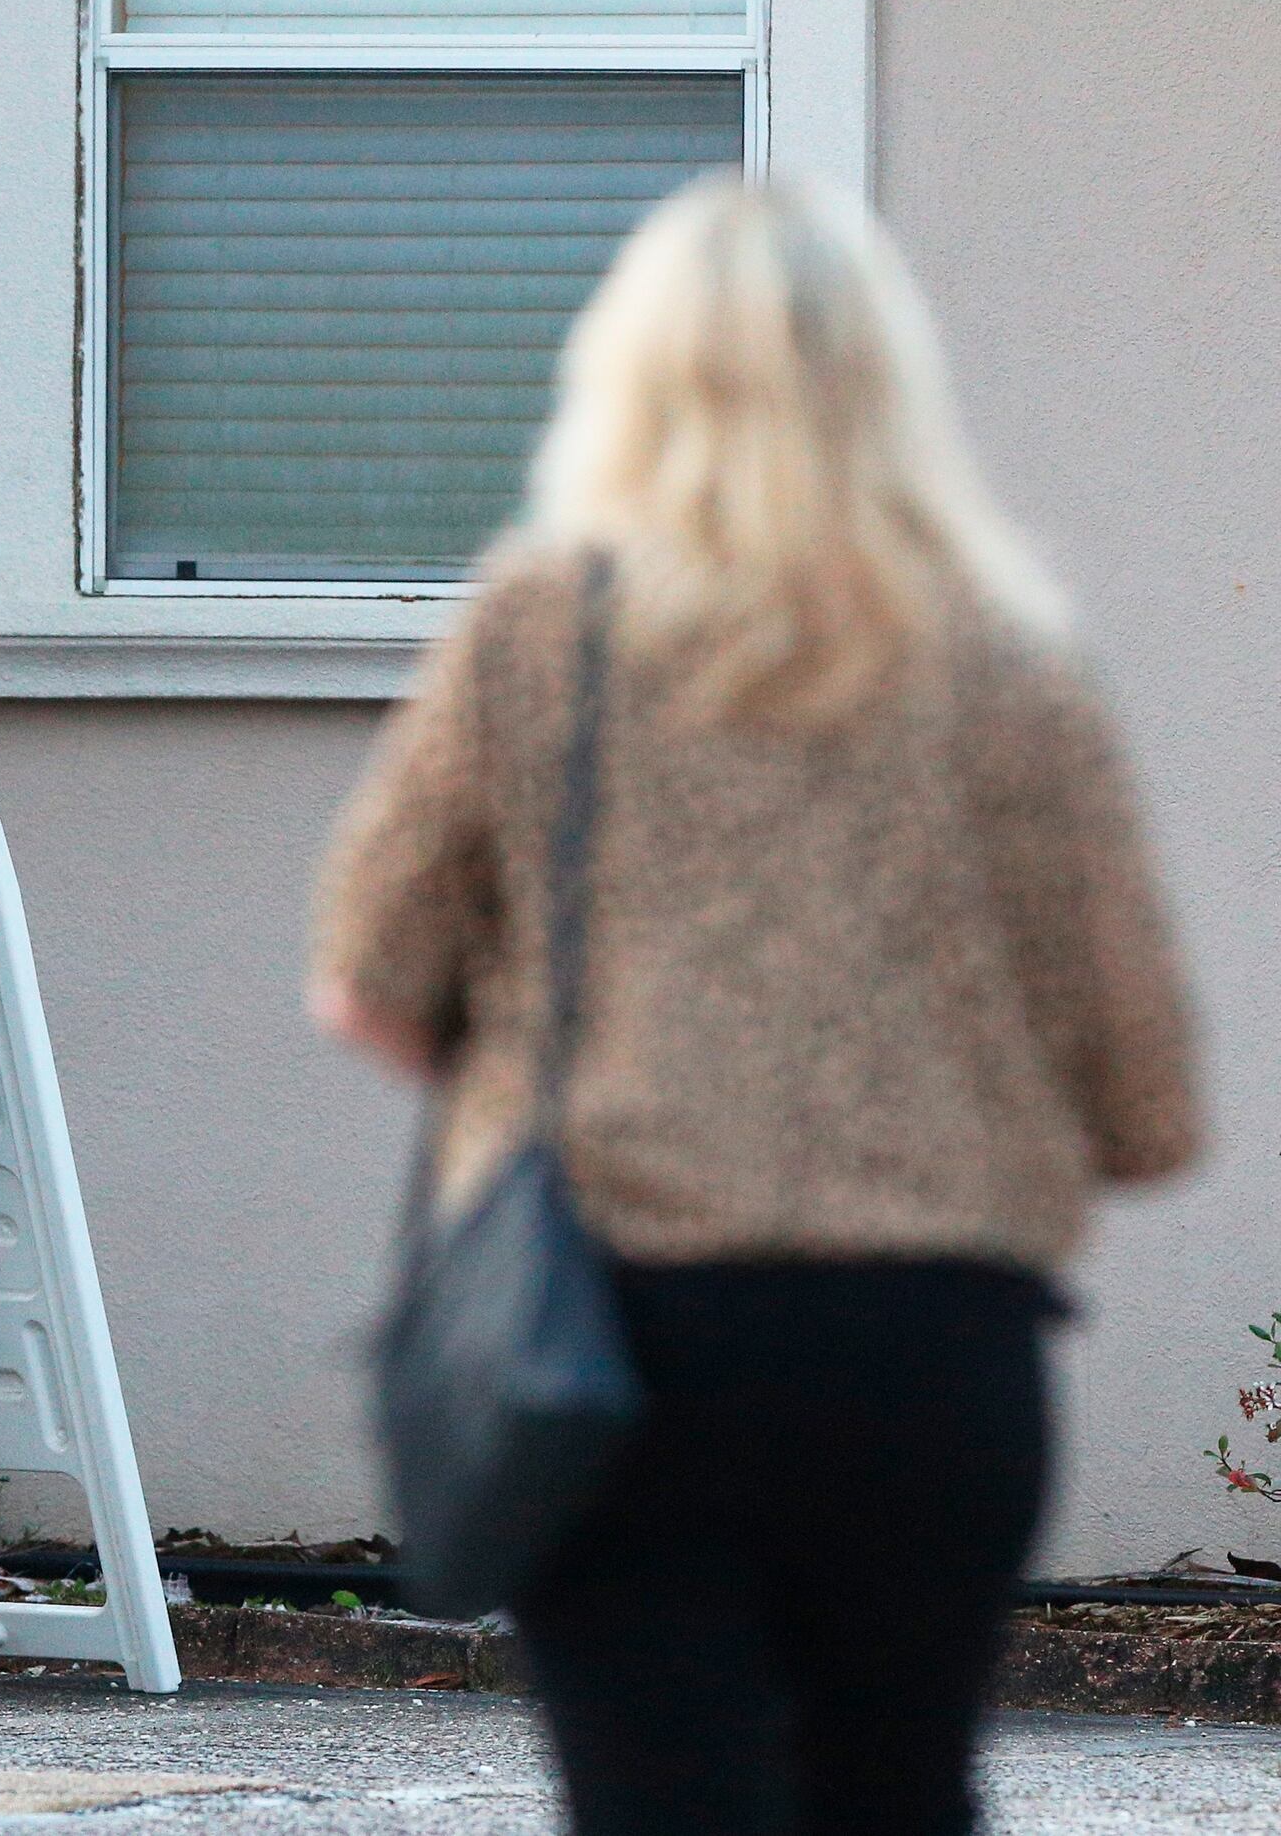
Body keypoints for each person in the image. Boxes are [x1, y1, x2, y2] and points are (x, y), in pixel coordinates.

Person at [310, 179, 1199, 1835]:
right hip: (933, 1358)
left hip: (615, 1345)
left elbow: (368, 979)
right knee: (899, 1803)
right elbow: (1150, 1103)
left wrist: (541, 1058)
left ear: (627, 380)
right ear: (892, 388)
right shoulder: (1013, 661)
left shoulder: (535, 634)